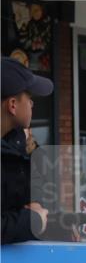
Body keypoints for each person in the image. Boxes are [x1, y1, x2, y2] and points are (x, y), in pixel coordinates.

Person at [2, 57, 53, 244]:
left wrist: (55, 224)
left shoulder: (18, 147)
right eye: (30, 98)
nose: (32, 105)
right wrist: (32, 221)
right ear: (13, 105)